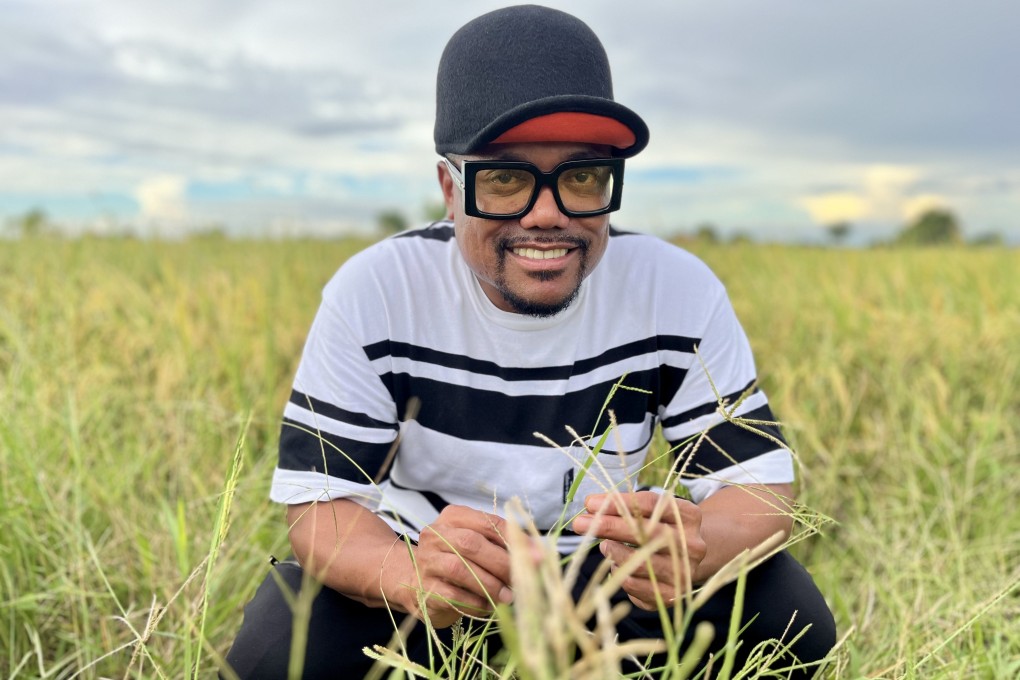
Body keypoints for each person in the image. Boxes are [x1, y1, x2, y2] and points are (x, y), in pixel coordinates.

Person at [223, 5, 836, 678]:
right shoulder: (377, 290)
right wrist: (412, 576)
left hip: (604, 591)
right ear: (449, 188)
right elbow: (322, 508)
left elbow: (759, 489)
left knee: (784, 612)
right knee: (280, 645)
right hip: (433, 588)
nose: (547, 214)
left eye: (581, 177)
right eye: (506, 179)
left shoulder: (675, 289)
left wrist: (692, 543)